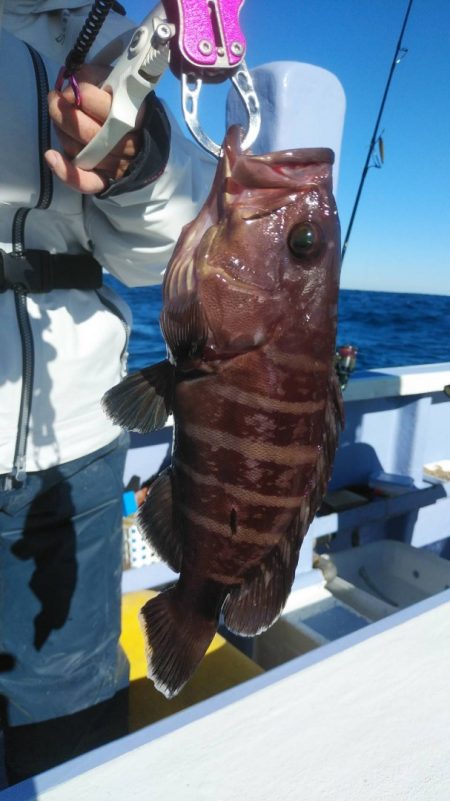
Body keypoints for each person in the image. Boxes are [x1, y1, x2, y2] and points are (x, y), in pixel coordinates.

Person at [0, 0, 215, 784]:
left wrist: (136, 161)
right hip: (86, 427)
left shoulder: (117, 32)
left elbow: (160, 252)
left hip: (78, 446)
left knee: (71, 710)